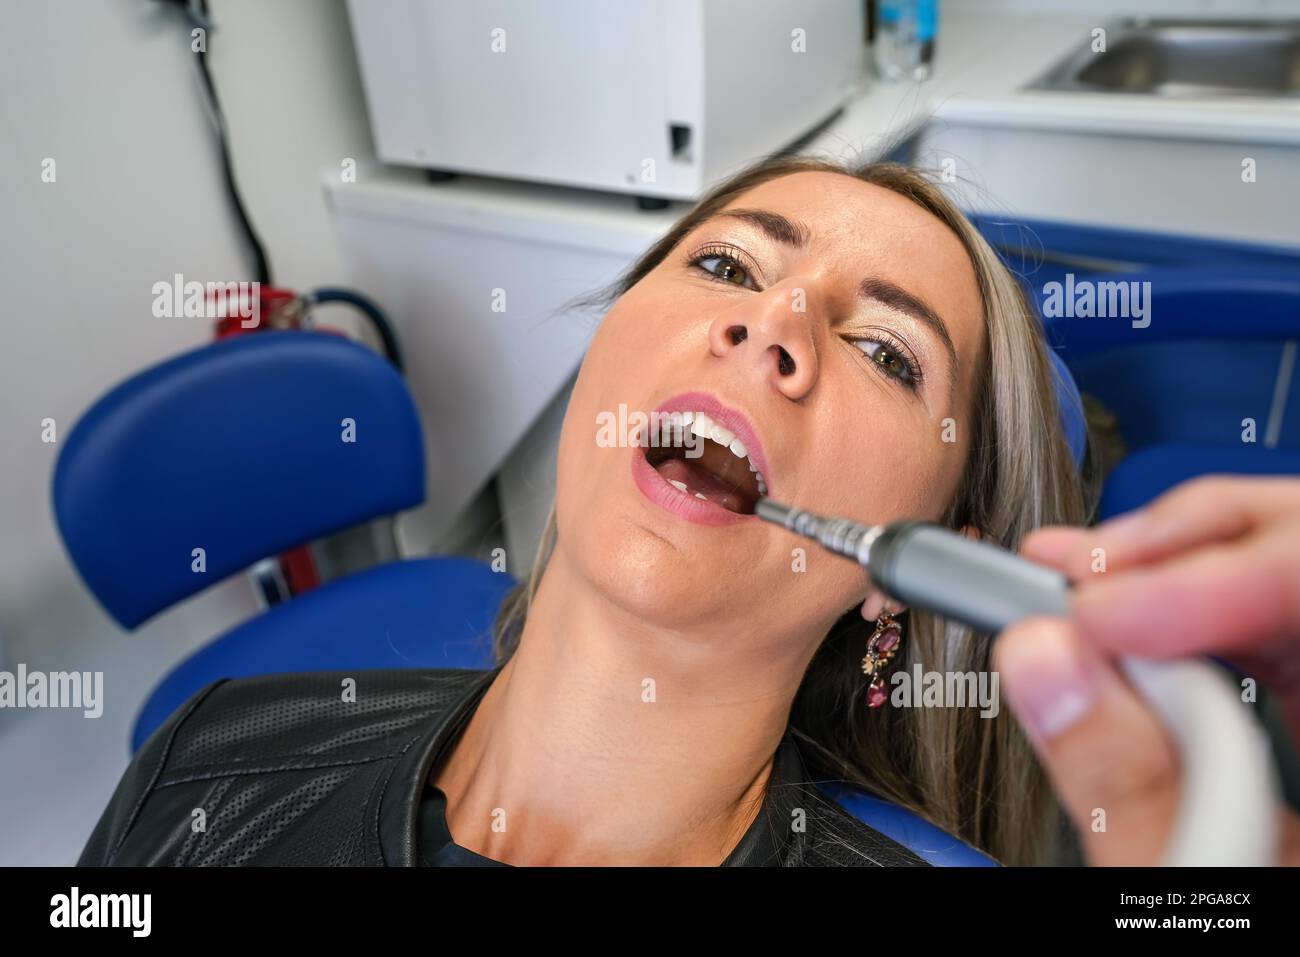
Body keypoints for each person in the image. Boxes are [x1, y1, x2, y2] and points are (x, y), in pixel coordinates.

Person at [82, 152, 1290, 868]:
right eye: (725, 267)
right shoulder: (208, 760)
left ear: (919, 568)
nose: (774, 324)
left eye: (883, 350)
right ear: (606, 353)